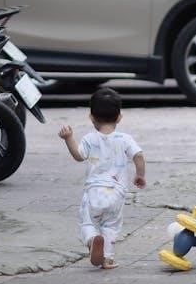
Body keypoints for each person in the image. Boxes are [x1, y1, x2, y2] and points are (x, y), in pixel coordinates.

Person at [59, 88, 146, 269]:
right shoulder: (125, 139)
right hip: (116, 194)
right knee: (111, 227)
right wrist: (140, 175)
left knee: (88, 222)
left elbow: (78, 156)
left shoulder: (90, 139)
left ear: (92, 118)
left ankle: (92, 240)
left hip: (94, 192)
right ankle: (107, 259)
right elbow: (138, 155)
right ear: (119, 117)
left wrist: (68, 138)